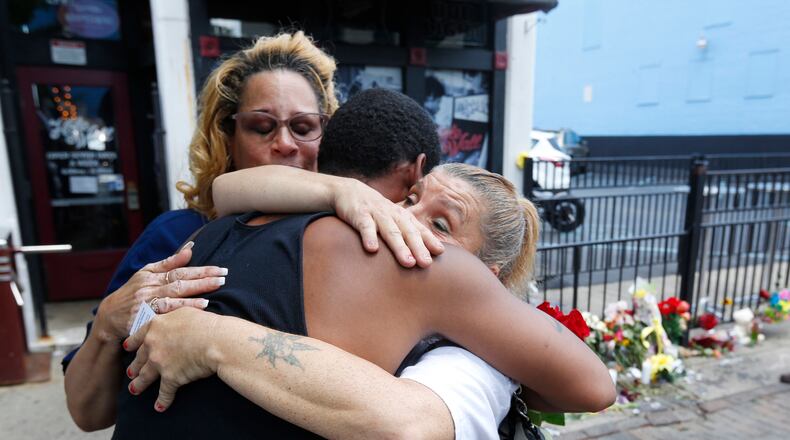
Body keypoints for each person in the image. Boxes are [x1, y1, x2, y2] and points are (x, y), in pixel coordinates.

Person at [63, 32, 443, 432]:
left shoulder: (361, 236)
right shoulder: (181, 233)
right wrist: (108, 322)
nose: (284, 143)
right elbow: (88, 412)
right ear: (227, 137)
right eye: (261, 127)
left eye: (303, 126)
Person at [116, 160, 615, 440]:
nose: (408, 218)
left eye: (440, 225)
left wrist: (213, 339)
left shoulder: (451, 297)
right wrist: (341, 192)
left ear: (486, 277)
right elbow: (225, 189)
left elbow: (593, 387)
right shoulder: (365, 238)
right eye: (412, 196)